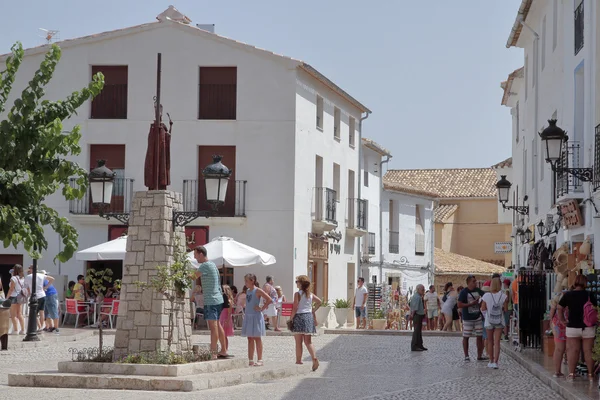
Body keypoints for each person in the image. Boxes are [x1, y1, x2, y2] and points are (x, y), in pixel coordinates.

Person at [557, 274, 597, 382]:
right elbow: (595, 309)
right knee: (588, 351)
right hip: (588, 327)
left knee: (572, 351)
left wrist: (562, 320)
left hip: (573, 327)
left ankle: (571, 374)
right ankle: (590, 374)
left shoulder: (568, 295)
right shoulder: (589, 295)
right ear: (585, 283)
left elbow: (559, 308)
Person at [193, 245, 230, 359]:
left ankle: (213, 353)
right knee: (218, 325)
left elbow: (193, 276)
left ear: (201, 254)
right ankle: (223, 350)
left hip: (211, 300)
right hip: (218, 299)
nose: (195, 259)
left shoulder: (204, 265)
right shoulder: (213, 264)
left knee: (213, 326)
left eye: (196, 256)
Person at [290, 275, 321, 371]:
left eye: (297, 282)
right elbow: (319, 301)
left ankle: (298, 360)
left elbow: (295, 307)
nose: (296, 283)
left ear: (300, 283)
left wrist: (291, 318)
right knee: (308, 341)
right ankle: (314, 357)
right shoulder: (310, 294)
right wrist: (313, 310)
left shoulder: (297, 294)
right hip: (308, 317)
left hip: (299, 316)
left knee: (298, 341)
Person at [242, 273, 272, 366]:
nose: (245, 283)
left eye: (247, 281)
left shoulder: (258, 290)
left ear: (252, 281)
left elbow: (269, 299)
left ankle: (260, 359)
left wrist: (261, 308)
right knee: (249, 338)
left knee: (257, 338)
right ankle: (250, 359)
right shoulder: (247, 291)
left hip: (256, 316)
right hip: (248, 315)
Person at [480, 277, 508, 369]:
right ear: (499, 284)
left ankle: (491, 360)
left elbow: (483, 308)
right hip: (499, 320)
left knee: (490, 341)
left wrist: (487, 315)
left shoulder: (486, 296)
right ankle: (496, 362)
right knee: (497, 342)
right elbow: (506, 309)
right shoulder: (503, 296)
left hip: (489, 320)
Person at [457, 275, 486, 362]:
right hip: (467, 318)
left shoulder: (478, 290)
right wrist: (470, 304)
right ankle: (466, 355)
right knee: (466, 336)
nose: (475, 283)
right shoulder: (464, 292)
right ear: (469, 282)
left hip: (477, 317)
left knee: (479, 336)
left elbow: (485, 297)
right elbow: (459, 304)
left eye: (475, 281)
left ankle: (479, 355)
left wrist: (481, 304)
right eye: (473, 281)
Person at [25, 265, 51, 332]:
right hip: (42, 295)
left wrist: (29, 294)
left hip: (35, 296)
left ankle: (39, 326)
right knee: (42, 312)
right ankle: (42, 326)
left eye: (29, 268)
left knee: (34, 313)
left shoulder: (28, 277)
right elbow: (52, 279)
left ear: (31, 269)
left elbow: (26, 287)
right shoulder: (41, 275)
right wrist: (45, 287)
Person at [549, 292, 567, 377]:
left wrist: (551, 323)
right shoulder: (568, 294)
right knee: (568, 348)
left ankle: (557, 371)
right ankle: (570, 371)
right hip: (567, 323)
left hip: (558, 323)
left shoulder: (558, 295)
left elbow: (552, 312)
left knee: (559, 348)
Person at [8, 265, 25, 335]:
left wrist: (7, 297)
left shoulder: (13, 278)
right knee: (20, 314)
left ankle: (15, 330)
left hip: (13, 297)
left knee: (13, 315)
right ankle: (23, 330)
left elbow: (11, 289)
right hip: (20, 296)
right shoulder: (22, 278)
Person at [409, 284, 426, 351]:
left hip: (419, 314)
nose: (423, 291)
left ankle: (420, 345)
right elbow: (415, 308)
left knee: (418, 331)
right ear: (418, 290)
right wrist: (412, 315)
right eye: (422, 290)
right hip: (417, 315)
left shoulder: (417, 296)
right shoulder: (417, 297)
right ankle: (414, 346)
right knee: (416, 331)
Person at [219, 285, 235, 352]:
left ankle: (225, 348)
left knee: (224, 335)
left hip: (225, 318)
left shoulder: (228, 301)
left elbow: (229, 312)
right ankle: (224, 348)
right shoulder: (226, 300)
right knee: (223, 335)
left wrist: (227, 320)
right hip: (222, 317)